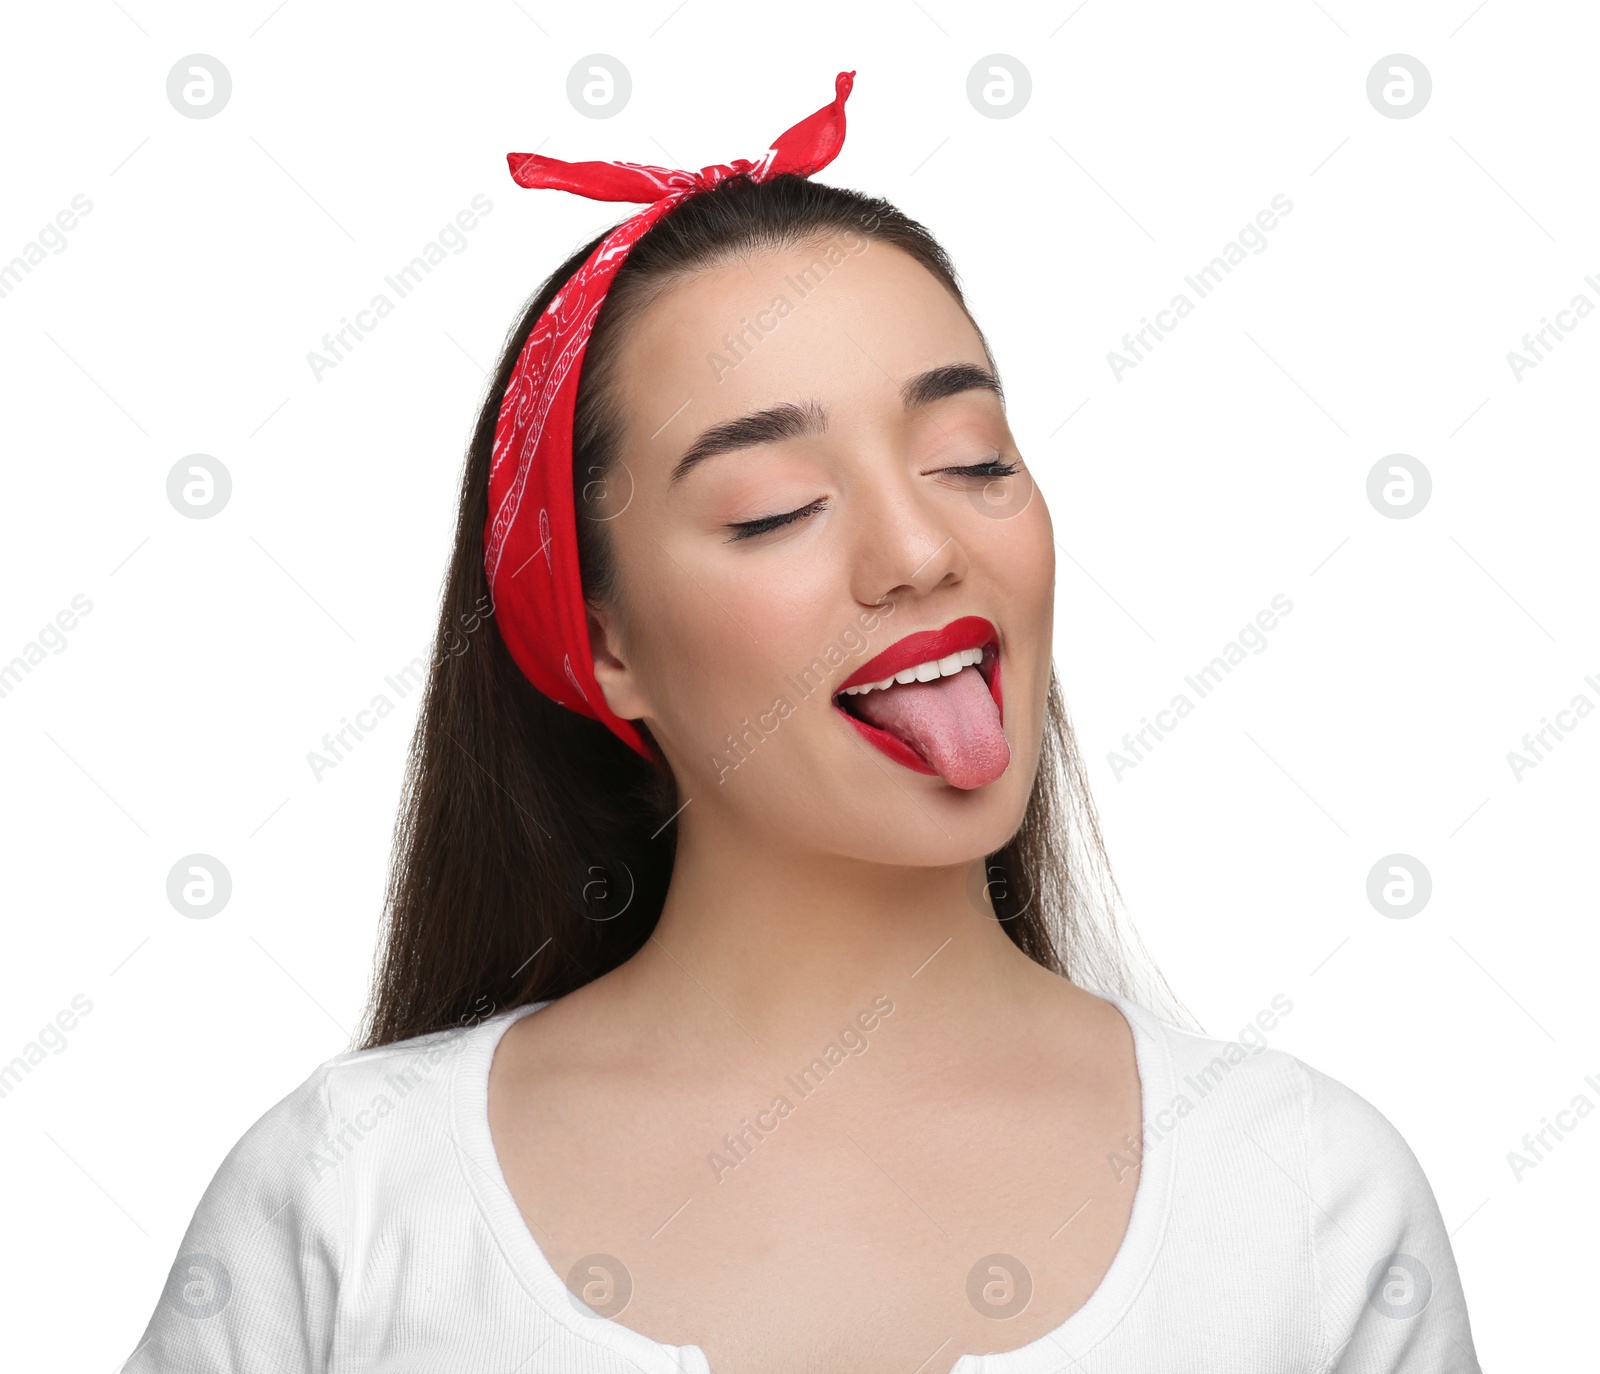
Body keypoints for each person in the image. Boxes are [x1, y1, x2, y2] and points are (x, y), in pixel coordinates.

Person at [122, 72, 1481, 1373]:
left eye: (973, 460)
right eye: (774, 505)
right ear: (601, 641)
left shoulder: (1308, 1192)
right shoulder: (344, 1199)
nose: (918, 547)